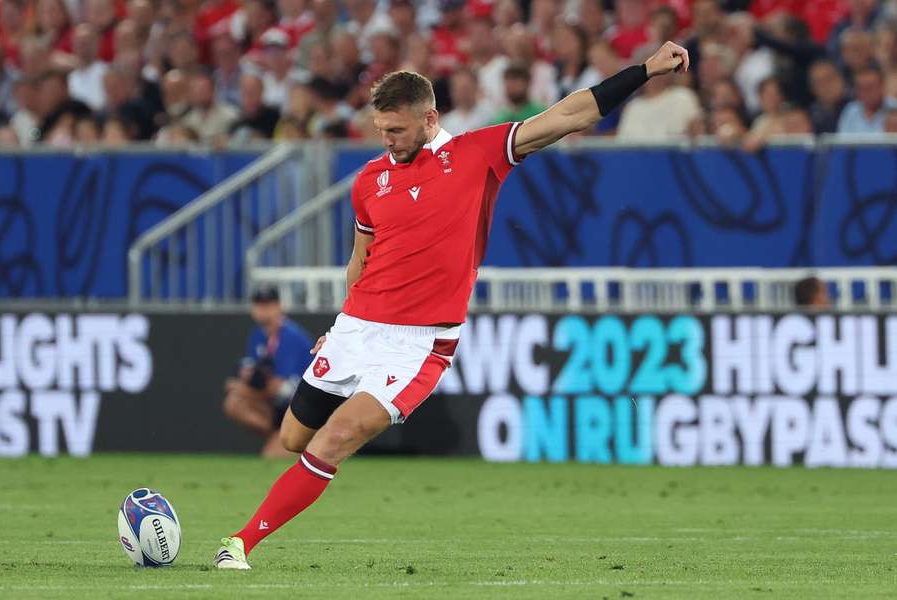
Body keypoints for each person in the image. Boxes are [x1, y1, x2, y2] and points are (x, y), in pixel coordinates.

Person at [213, 39, 689, 569]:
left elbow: (569, 114)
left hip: (416, 344)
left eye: (397, 130)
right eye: (381, 131)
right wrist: (342, 322)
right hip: (356, 327)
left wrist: (644, 71)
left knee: (335, 438)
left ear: (429, 117)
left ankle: (239, 544)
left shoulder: (477, 154)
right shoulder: (371, 180)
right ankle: (268, 511)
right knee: (292, 436)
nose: (388, 142)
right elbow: (360, 258)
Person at [223, 286, 314, 458]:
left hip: (302, 411)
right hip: (279, 408)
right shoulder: (258, 335)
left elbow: (283, 388)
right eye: (259, 305)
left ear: (279, 306)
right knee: (234, 403)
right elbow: (258, 377)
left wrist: (244, 388)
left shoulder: (291, 336)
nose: (263, 310)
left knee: (271, 456)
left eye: (268, 304)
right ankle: (279, 436)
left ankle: (303, 442)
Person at [838, 64, 897, 134]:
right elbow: (841, 142)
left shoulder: (895, 108)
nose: (866, 93)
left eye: (870, 87)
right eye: (861, 88)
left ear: (882, 86)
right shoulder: (850, 111)